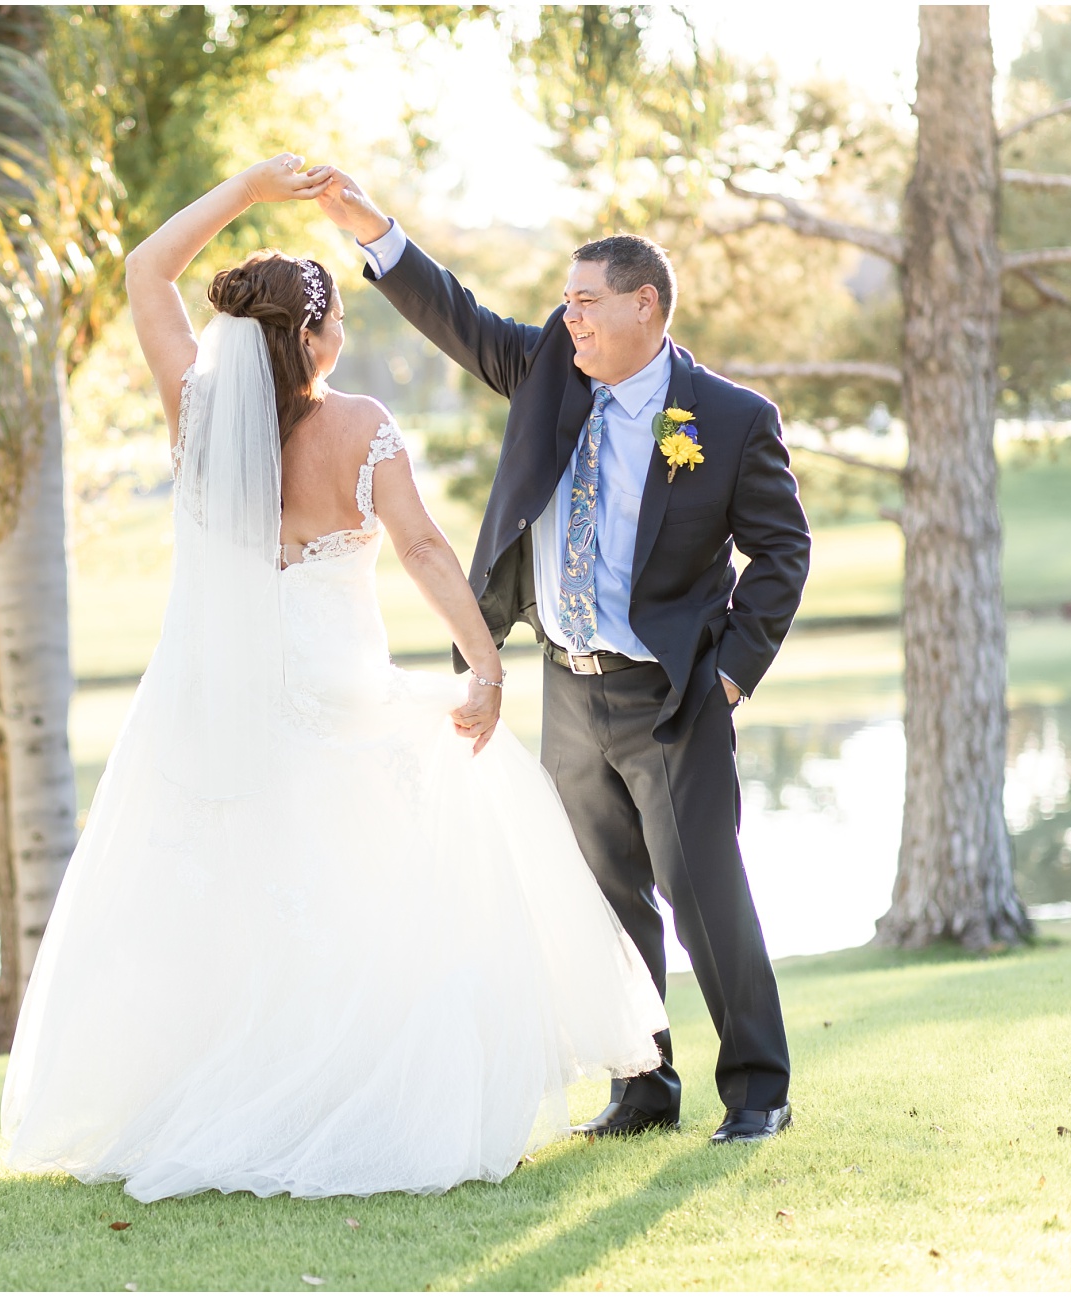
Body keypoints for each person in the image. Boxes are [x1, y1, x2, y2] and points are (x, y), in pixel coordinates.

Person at [0, 155, 669, 1202]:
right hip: (340, 695)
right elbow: (426, 553)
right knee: (394, 873)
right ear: (310, 335)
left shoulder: (195, 410)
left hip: (219, 705)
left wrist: (241, 192)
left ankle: (252, 1092)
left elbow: (144, 271)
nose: (342, 340)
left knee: (248, 898)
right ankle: (353, 1102)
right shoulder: (356, 426)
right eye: (334, 325)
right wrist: (483, 663)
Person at [309, 166, 811, 1144]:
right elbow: (458, 316)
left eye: (586, 302)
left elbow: (782, 550)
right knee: (604, 895)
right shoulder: (549, 371)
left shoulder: (730, 418)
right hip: (568, 688)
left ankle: (757, 1094)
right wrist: (376, 232)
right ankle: (643, 1085)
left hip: (672, 695)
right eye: (566, 302)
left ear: (645, 305)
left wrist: (733, 670)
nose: (567, 317)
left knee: (706, 892)